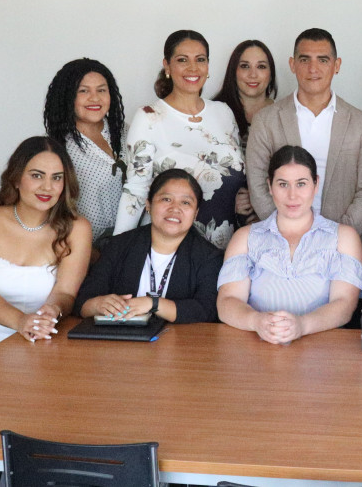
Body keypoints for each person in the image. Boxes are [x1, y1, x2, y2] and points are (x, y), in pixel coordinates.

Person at [0, 137, 90, 376]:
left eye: (57, 178)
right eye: (36, 175)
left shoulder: (78, 228)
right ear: (16, 178)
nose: (47, 187)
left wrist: (53, 311)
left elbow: (65, 292)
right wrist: (21, 321)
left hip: (41, 346)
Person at [217, 146, 362, 344]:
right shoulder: (245, 238)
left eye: (301, 184)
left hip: (324, 353)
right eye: (282, 184)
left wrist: (302, 325)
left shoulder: (343, 237)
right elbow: (228, 302)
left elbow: (344, 305)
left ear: (316, 185)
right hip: (257, 348)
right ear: (270, 186)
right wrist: (258, 322)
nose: (292, 195)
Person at [115, 30, 246, 250]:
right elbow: (136, 190)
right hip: (172, 251)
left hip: (228, 250)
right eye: (182, 60)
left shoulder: (223, 113)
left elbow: (240, 178)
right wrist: (117, 252)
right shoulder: (149, 117)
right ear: (167, 66)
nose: (193, 68)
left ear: (207, 66)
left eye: (200, 60)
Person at [247, 28, 362, 234]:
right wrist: (287, 232)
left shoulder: (360, 123)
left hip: (341, 245)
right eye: (305, 60)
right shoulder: (266, 120)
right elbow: (258, 186)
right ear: (293, 64)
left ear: (336, 65)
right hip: (280, 242)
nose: (313, 68)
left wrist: (337, 236)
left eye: (323, 60)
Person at [75, 169, 222, 324]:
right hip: (120, 341)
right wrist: (97, 304)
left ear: (196, 213)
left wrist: (153, 303)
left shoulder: (209, 257)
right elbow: (81, 302)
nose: (175, 208)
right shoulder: (118, 246)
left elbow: (208, 311)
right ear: (148, 205)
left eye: (185, 202)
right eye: (166, 199)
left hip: (179, 343)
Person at [43, 57, 126, 246]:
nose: (94, 98)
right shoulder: (56, 148)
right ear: (67, 96)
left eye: (101, 90)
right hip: (83, 249)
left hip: (132, 244)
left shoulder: (126, 133)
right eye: (83, 91)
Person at [212, 40, 278, 224]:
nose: (253, 74)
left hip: (272, 217)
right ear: (233, 72)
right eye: (245, 66)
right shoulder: (214, 113)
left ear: (271, 73)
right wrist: (229, 198)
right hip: (219, 217)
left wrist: (258, 198)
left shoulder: (285, 115)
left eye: (261, 66)